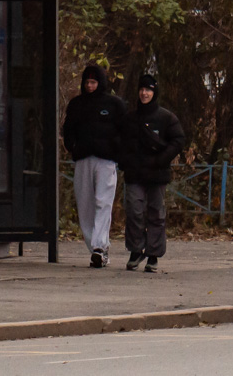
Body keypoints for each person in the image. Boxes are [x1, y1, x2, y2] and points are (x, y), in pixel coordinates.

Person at [119, 74, 186, 273]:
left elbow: (178, 140)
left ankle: (153, 254)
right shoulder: (130, 118)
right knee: (134, 211)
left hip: (157, 174)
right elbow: (121, 143)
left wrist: (160, 160)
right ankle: (135, 250)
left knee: (156, 213)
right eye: (141, 89)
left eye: (148, 89)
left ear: (154, 92)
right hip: (135, 173)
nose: (144, 93)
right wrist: (126, 161)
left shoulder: (166, 118)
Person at [61, 64, 126, 268]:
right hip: (83, 159)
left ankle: (100, 246)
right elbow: (68, 128)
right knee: (85, 203)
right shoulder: (76, 104)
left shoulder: (114, 104)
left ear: (100, 83)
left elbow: (124, 130)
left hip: (106, 161)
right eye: (87, 82)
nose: (90, 86)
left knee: (103, 201)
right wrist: (71, 146)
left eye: (93, 82)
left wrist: (118, 152)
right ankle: (95, 249)